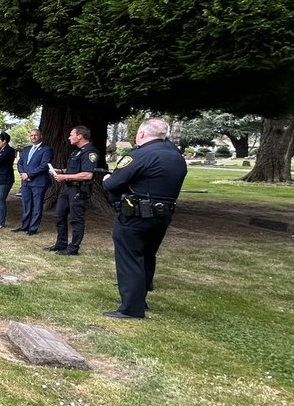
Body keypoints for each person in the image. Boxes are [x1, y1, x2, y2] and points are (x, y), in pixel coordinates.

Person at [101, 118, 188, 319]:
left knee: (130, 257)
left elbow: (112, 183)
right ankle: (139, 299)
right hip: (162, 215)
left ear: (141, 134)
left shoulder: (140, 154)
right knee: (147, 255)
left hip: (136, 215)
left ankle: (131, 308)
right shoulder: (176, 156)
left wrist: (107, 179)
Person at [46, 125, 98, 255]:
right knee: (59, 215)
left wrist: (64, 177)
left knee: (76, 219)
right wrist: (60, 171)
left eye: (71, 135)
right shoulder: (76, 151)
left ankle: (73, 248)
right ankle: (61, 243)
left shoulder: (90, 152)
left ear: (79, 136)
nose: (69, 137)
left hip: (79, 190)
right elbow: (73, 170)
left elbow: (87, 174)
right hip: (67, 188)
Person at [15, 128, 53, 235]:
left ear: (41, 136)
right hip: (25, 182)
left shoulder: (47, 149)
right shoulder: (26, 149)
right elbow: (20, 163)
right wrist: (23, 173)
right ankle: (24, 226)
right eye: (31, 135)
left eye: (36, 135)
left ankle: (33, 228)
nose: (33, 137)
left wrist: (29, 174)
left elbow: (44, 165)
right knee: (26, 204)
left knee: (37, 206)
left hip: (38, 182)